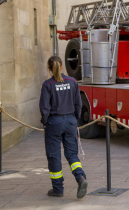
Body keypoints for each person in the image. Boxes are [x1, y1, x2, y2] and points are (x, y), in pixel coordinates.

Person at [39, 56, 88, 198]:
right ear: (62, 67)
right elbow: (78, 104)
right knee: (72, 154)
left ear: (49, 68)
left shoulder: (47, 85)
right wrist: (75, 118)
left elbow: (44, 108)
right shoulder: (73, 82)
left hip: (54, 123)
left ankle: (58, 189)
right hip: (70, 121)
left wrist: (45, 121)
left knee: (54, 156)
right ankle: (80, 178)